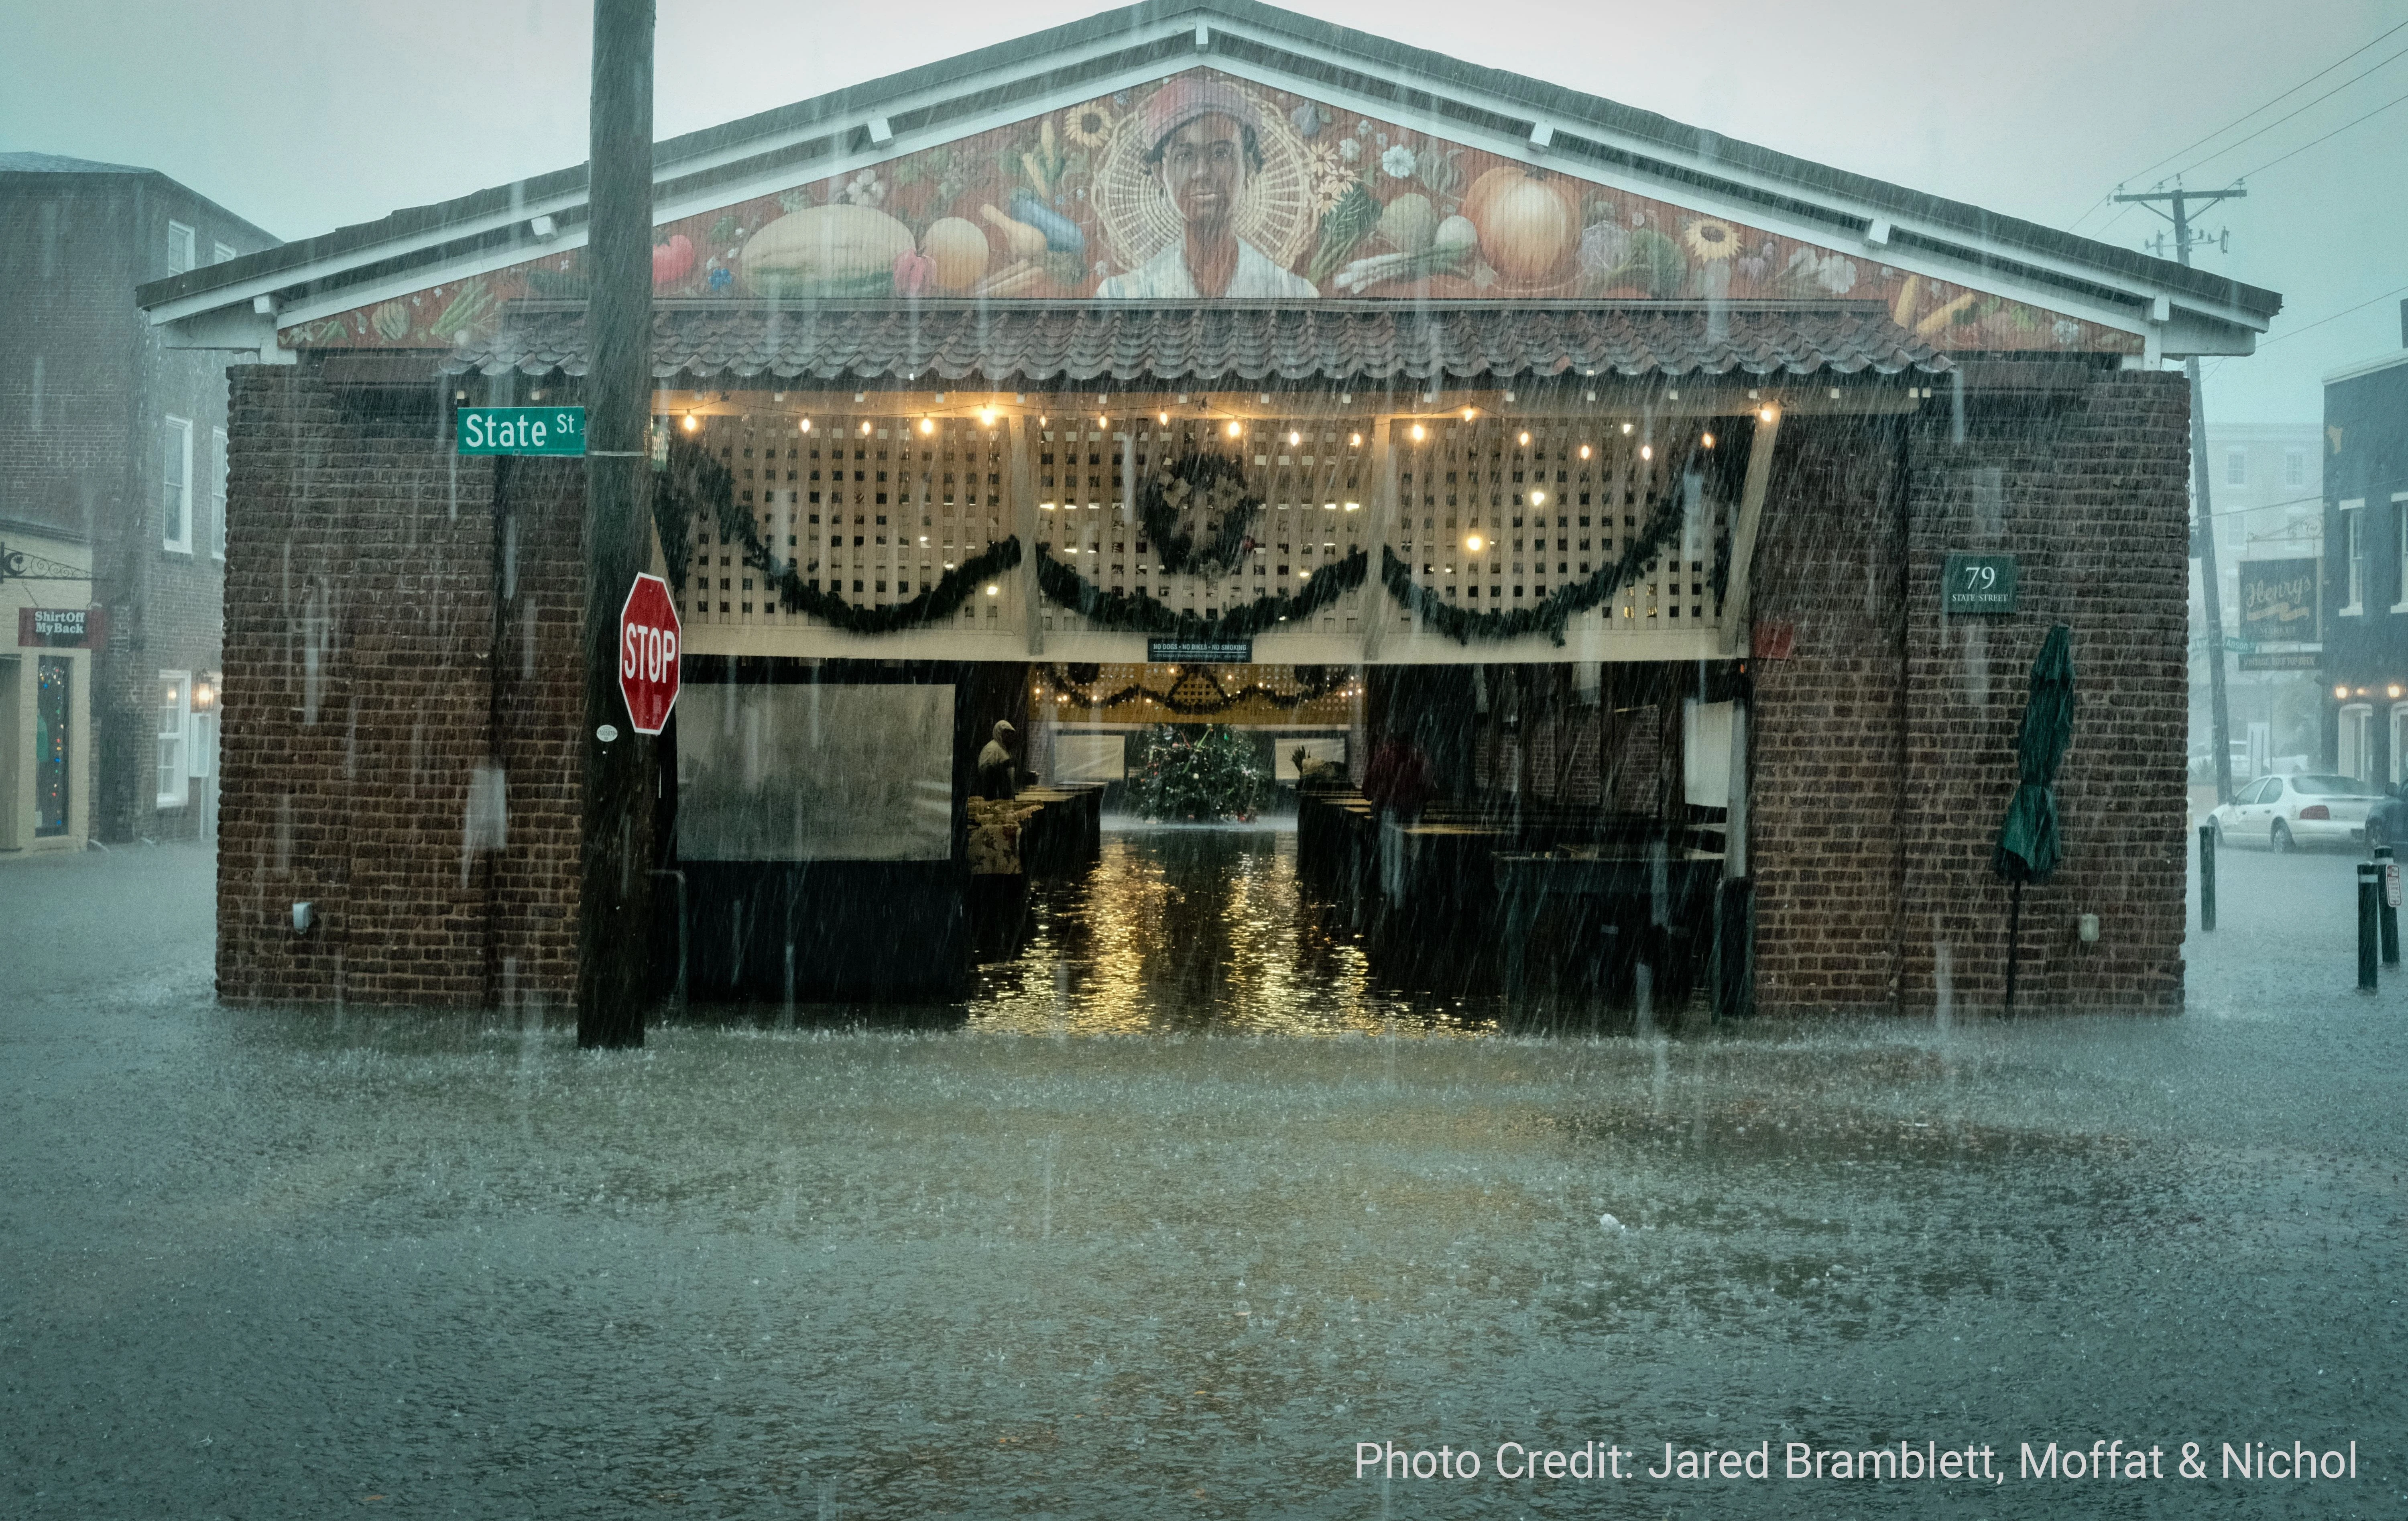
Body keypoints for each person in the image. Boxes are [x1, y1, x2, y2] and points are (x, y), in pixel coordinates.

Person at [1095, 78, 1318, 301]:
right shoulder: (1124, 295)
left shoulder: (1295, 294)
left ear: (1248, 167)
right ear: (1159, 173)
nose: (1202, 172)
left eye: (1221, 153)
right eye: (1185, 156)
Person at [977, 719, 1019, 800]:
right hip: (994, 797)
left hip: (1002, 797)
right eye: (1006, 732)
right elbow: (985, 773)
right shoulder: (992, 748)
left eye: (1011, 733)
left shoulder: (1003, 749)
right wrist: (1005, 765)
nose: (1009, 735)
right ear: (999, 733)